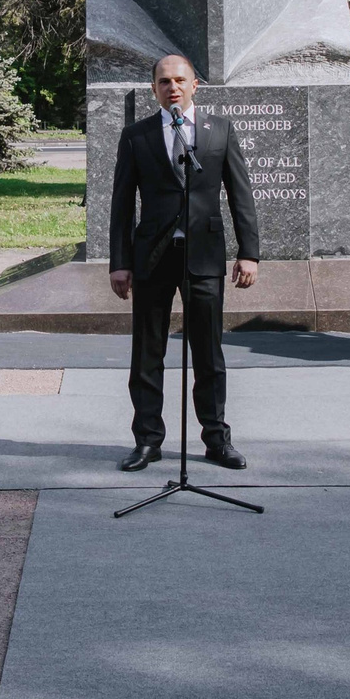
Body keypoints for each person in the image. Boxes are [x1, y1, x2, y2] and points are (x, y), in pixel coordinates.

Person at [107, 53, 261, 470]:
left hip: (204, 257)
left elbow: (241, 194)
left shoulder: (219, 130)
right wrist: (119, 261)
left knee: (208, 354)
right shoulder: (136, 136)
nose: (172, 88)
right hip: (152, 258)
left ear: (195, 85)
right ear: (153, 89)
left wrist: (249, 252)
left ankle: (217, 439)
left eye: (179, 80)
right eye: (164, 82)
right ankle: (147, 441)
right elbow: (122, 204)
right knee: (147, 354)